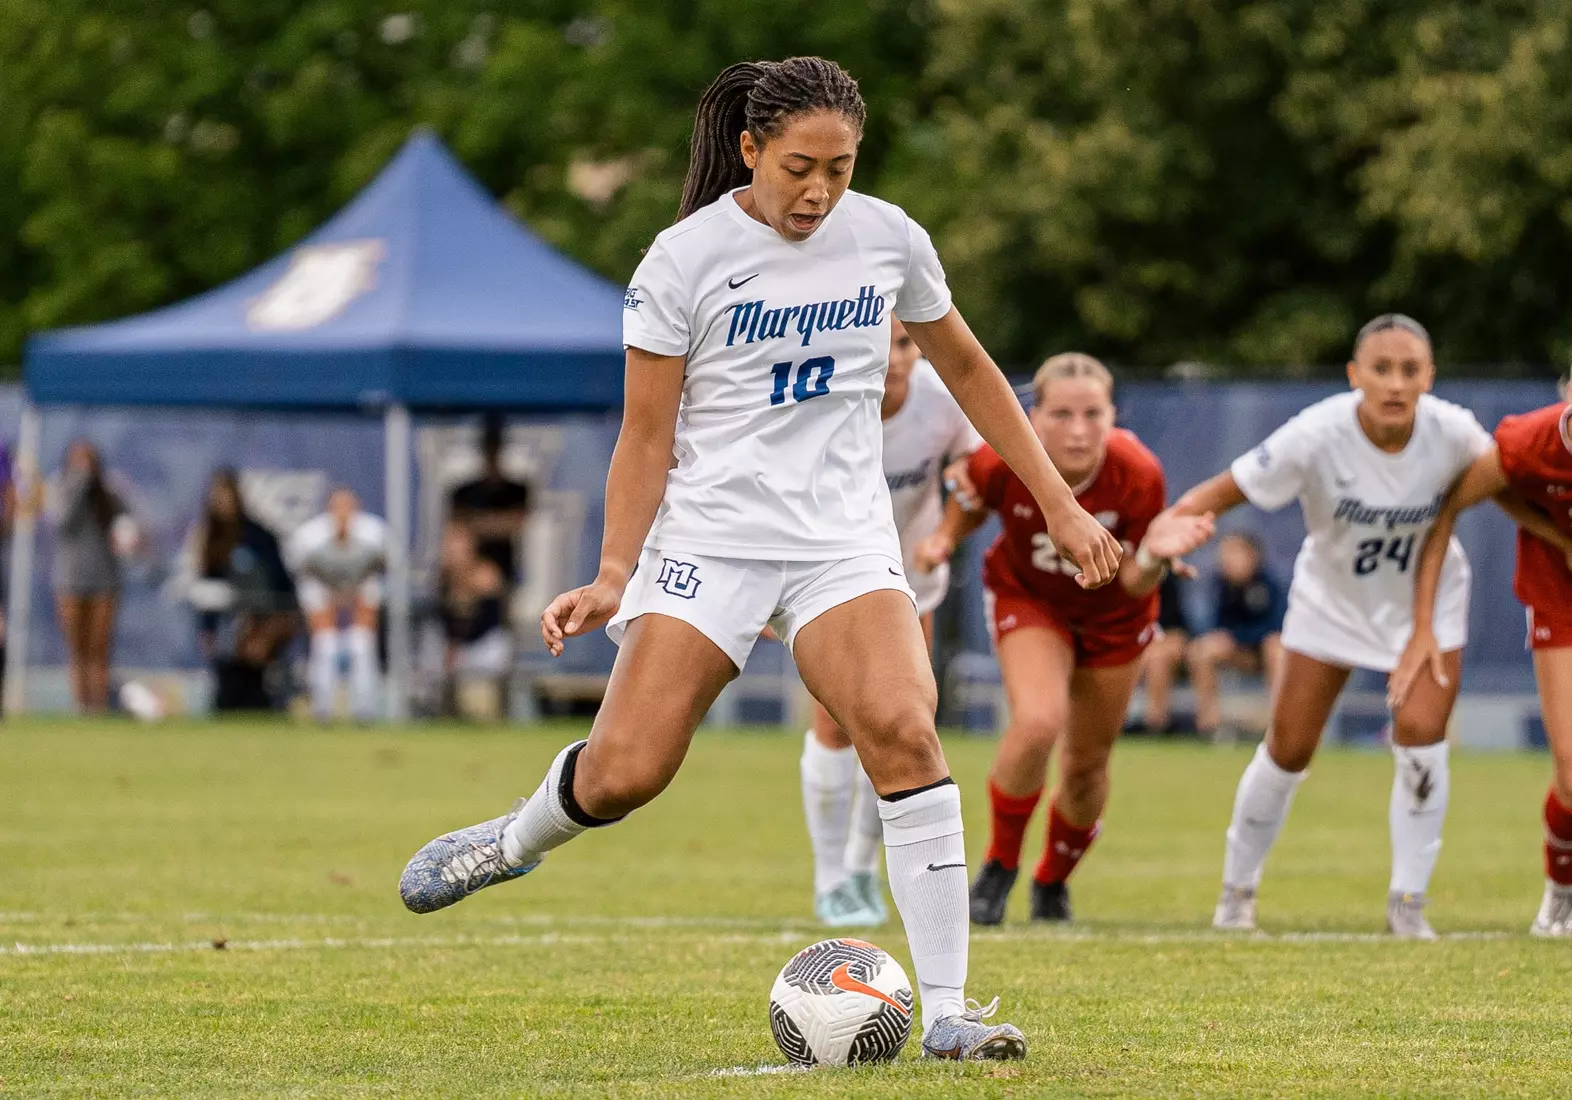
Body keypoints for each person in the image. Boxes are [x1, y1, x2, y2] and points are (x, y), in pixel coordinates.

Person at [397, 56, 1125, 1062]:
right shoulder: (681, 261)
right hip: (712, 540)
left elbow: (968, 367)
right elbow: (643, 436)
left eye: (840, 166)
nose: (819, 191)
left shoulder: (889, 238)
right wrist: (614, 573)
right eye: (797, 167)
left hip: (841, 542)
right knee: (624, 774)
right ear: (749, 149)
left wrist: (1058, 500)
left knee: (905, 731)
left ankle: (951, 1009)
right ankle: (512, 841)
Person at [1169, 314, 1491, 939]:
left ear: (1430, 376)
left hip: (1430, 605)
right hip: (1332, 604)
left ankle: (1408, 903)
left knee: (1422, 737)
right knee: (1287, 749)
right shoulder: (1316, 433)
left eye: (1410, 369)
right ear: (1354, 375)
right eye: (1381, 368)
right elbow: (1225, 489)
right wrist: (1165, 532)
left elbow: (1515, 485)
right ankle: (1236, 893)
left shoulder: (1455, 433)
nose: (1395, 383)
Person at [914, 353, 1213, 924]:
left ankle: (1052, 880)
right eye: (1061, 414)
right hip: (1032, 600)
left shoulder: (1138, 472)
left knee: (1086, 764)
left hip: (1115, 616)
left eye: (1092, 413)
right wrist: (944, 539)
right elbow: (972, 499)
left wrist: (1154, 555)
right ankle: (998, 868)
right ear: (1034, 414)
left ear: (1114, 415)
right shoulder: (1004, 456)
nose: (1078, 430)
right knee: (1037, 722)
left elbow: (1132, 581)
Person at [1392, 317, 1572, 937]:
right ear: (1570, 392)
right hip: (1565, 593)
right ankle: (1562, 892)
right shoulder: (1530, 442)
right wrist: (1423, 625)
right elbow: (1451, 506)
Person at [798, 314, 982, 928]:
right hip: (829, 576)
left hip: (909, 582)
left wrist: (948, 534)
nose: (896, 357)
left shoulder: (941, 400)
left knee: (903, 725)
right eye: (882, 344)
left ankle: (859, 871)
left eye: (905, 343)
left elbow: (977, 478)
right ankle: (830, 880)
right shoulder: (823, 399)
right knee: (834, 723)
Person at [177, 469, 299, 711]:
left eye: (226, 494)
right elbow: (208, 590)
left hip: (267, 614)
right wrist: (208, 627)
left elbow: (281, 585)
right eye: (216, 495)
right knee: (229, 659)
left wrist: (265, 619)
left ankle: (260, 704)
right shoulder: (209, 537)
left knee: (253, 653)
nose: (221, 501)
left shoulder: (257, 535)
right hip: (229, 618)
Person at [286, 487, 386, 722]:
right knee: (326, 645)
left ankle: (365, 711)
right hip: (322, 589)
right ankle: (323, 710)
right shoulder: (309, 538)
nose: (343, 514)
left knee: (361, 644)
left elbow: (379, 572)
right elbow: (306, 577)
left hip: (361, 589)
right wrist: (332, 598)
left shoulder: (374, 534)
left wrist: (353, 597)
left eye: (348, 507)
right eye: (337, 507)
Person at [1185, 533, 1287, 737]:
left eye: (1234, 553)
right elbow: (1217, 625)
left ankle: (1280, 727)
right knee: (1201, 650)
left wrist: (1237, 637)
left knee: (1275, 648)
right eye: (1225, 554)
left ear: (1252, 556)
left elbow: (1276, 627)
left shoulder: (1269, 584)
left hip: (1263, 653)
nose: (1227, 559)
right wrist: (1226, 639)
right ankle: (1209, 726)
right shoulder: (1221, 585)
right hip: (1237, 653)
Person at [51, 440, 126, 715]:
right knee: (77, 648)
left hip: (104, 578)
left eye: (87, 460)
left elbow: (130, 527)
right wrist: (78, 485)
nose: (83, 467)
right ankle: (81, 706)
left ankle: (99, 707)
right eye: (77, 460)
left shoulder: (110, 494)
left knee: (99, 647)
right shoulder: (62, 489)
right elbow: (62, 523)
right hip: (69, 579)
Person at [438, 522, 510, 720]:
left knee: (481, 696)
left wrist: (460, 646)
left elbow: (487, 616)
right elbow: (444, 617)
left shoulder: (486, 573)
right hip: (456, 645)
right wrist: (453, 646)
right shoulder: (444, 578)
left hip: (485, 641)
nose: (454, 551)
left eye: (458, 545)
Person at [449, 414, 530, 586]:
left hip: (504, 568)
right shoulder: (464, 491)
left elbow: (515, 524)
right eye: (488, 449)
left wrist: (475, 522)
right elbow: (458, 527)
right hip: (470, 570)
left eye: (495, 449)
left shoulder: (516, 490)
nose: (491, 455)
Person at [1133, 571, 1192, 735]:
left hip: (1168, 639)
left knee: (1157, 657)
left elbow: (1176, 628)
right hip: (1134, 643)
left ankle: (1156, 724)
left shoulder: (1168, 581)